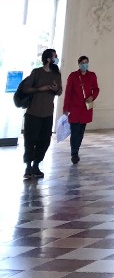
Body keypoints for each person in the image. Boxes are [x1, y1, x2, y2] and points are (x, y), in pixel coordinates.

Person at [20, 49, 62, 180]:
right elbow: (25, 88)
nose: (56, 58)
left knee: (44, 141)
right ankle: (28, 166)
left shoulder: (56, 73)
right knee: (30, 140)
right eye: (55, 56)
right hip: (33, 113)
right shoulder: (37, 72)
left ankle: (36, 165)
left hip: (48, 113)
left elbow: (60, 91)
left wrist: (55, 89)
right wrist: (40, 89)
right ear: (48, 59)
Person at [63, 55, 100, 165]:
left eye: (86, 62)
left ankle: (76, 149)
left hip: (86, 108)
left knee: (81, 132)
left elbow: (96, 89)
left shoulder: (92, 75)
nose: (85, 65)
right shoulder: (73, 76)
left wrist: (92, 97)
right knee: (74, 132)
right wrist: (65, 108)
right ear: (79, 64)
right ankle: (74, 153)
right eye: (83, 63)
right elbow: (68, 93)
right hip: (74, 108)